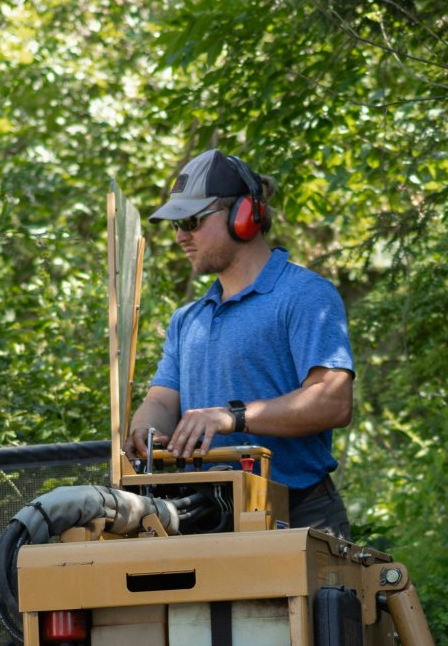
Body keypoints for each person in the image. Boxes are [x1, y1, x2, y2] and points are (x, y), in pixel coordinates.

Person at [123, 149, 355, 537]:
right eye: (176, 224)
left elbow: (333, 400)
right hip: (202, 519)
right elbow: (162, 401)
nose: (181, 235)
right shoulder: (187, 320)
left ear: (244, 215)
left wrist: (232, 416)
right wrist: (145, 433)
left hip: (296, 516)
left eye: (192, 220)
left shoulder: (305, 296)